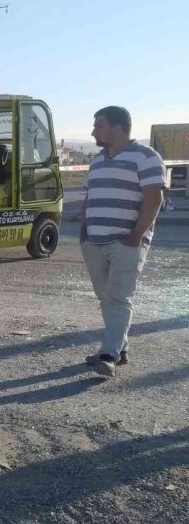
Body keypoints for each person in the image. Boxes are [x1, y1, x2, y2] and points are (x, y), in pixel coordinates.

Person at [79, 106, 165, 377]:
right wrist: (84, 230)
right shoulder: (97, 160)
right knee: (105, 297)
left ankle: (109, 354)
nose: (93, 131)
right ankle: (119, 347)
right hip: (94, 241)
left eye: (99, 126)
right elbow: (89, 196)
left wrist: (136, 236)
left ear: (117, 128)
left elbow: (154, 199)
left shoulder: (146, 157)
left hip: (126, 242)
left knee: (119, 297)